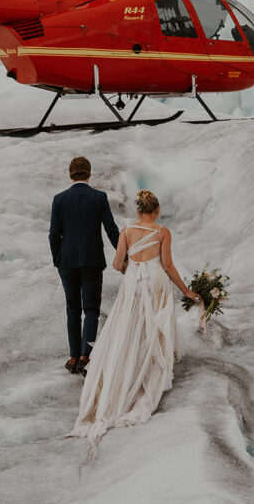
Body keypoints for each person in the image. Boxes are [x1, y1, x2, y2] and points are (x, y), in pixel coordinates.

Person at [70, 189, 201, 449]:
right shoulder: (163, 232)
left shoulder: (127, 232)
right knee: (152, 327)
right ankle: (148, 371)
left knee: (129, 328)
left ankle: (126, 371)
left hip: (133, 283)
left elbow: (118, 264)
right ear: (156, 211)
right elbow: (168, 265)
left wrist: (132, 268)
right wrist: (186, 291)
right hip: (156, 282)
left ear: (138, 210)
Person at [49, 156, 120, 375]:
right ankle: (85, 356)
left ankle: (72, 357)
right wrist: (124, 255)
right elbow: (110, 228)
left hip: (67, 262)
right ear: (89, 173)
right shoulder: (98, 197)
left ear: (71, 174)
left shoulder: (59, 199)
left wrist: (57, 259)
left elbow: (54, 234)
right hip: (91, 261)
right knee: (91, 309)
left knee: (72, 309)